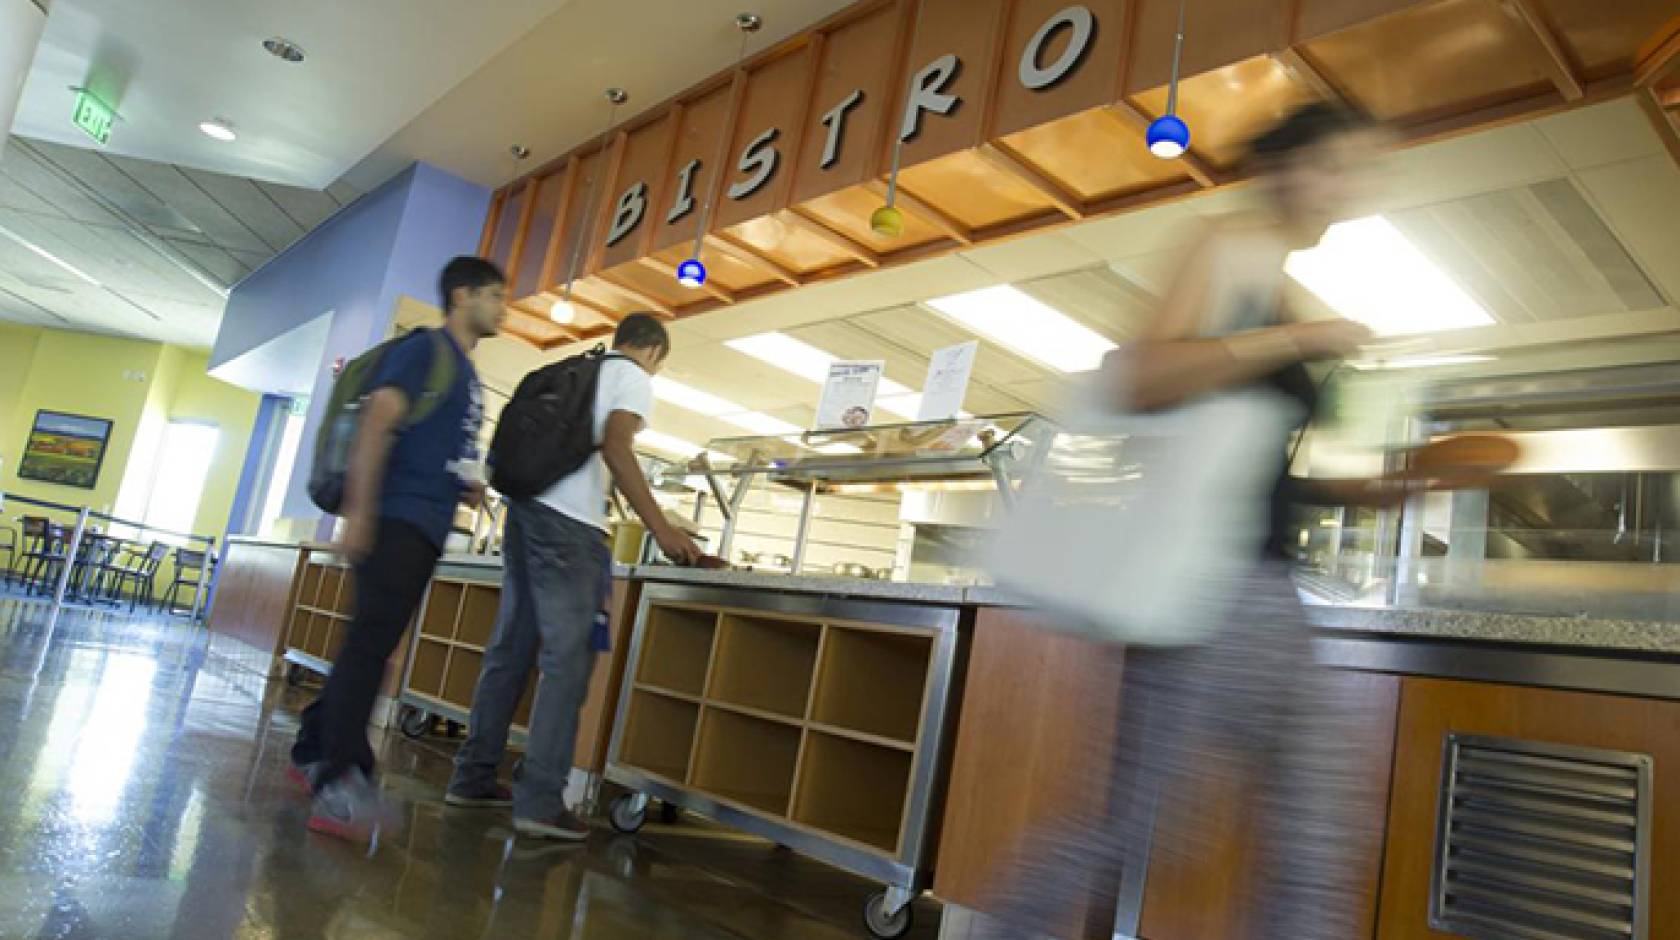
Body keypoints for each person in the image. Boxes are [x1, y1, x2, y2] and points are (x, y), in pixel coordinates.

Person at [986, 104, 1404, 939]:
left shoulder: (1281, 282)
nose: (1350, 187)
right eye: (1337, 164)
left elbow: (1244, 465)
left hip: (1263, 590)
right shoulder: (1227, 248)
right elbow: (1141, 378)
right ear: (1285, 166)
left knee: (1318, 825)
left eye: (1363, 169)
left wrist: (1364, 494)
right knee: (1144, 825)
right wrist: (1300, 337)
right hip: (1199, 591)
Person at [447, 312, 701, 840]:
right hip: (571, 529)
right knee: (568, 663)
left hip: (524, 513)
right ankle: (540, 802)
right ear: (653, 352)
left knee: (511, 648)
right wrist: (662, 529)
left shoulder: (574, 368)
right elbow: (617, 446)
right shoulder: (631, 375)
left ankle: (472, 777)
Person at [291, 256, 505, 840]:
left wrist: (464, 484)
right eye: (493, 295)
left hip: (423, 520)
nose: (502, 307)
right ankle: (339, 782)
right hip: (396, 520)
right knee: (368, 650)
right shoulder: (426, 352)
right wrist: (359, 515)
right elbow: (377, 423)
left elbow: (424, 442)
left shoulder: (462, 373)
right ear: (462, 295)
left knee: (371, 644)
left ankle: (313, 747)